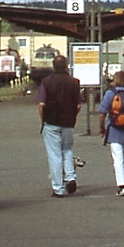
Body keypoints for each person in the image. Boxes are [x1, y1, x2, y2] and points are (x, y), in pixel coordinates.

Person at [37, 54, 82, 198]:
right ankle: (70, 177)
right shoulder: (74, 82)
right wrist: (73, 115)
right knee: (67, 150)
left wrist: (43, 119)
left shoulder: (46, 82)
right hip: (68, 122)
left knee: (55, 155)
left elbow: (41, 104)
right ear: (66, 66)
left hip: (51, 122)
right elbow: (78, 105)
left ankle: (58, 188)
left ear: (53, 66)